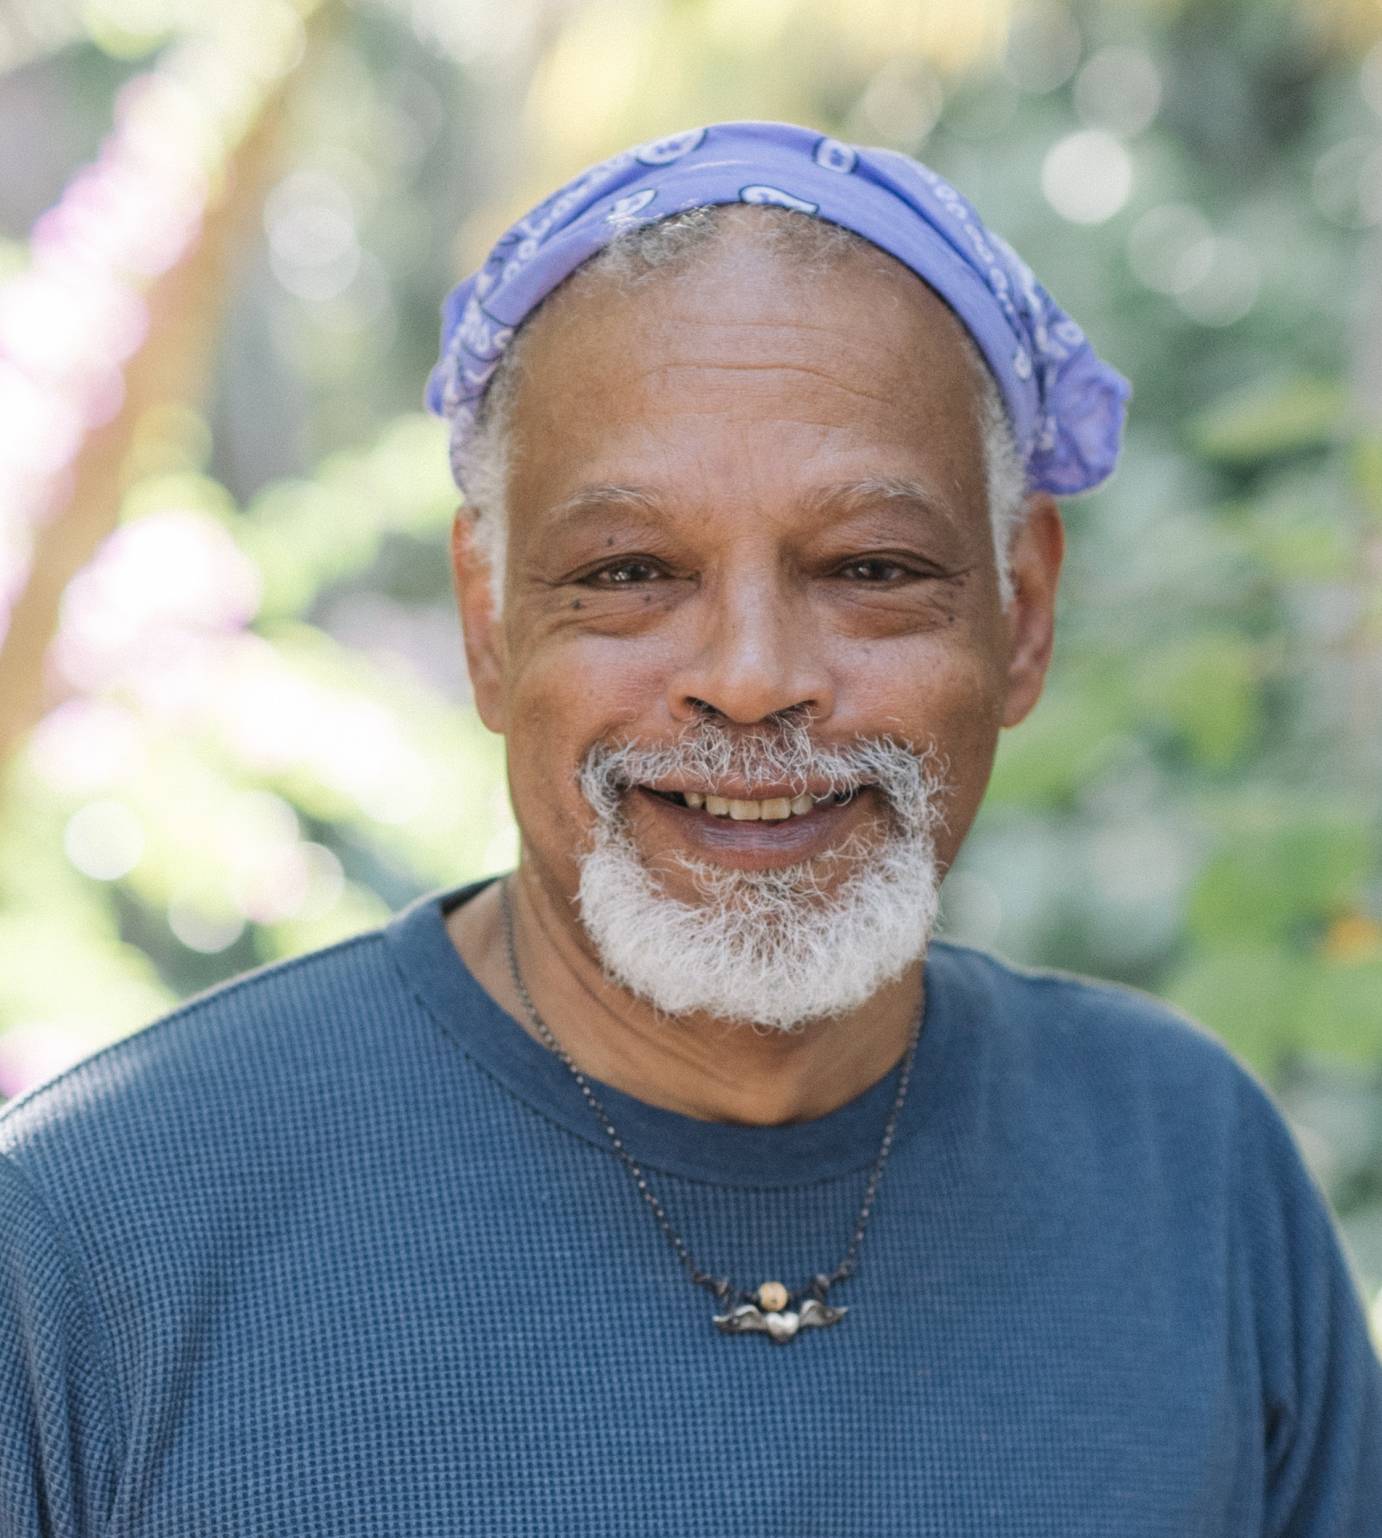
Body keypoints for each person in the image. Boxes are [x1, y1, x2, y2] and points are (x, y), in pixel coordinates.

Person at [2, 121, 1378, 1537]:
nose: (750, 673)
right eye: (629, 570)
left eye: (869, 566)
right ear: (486, 620)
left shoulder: (1184, 1170)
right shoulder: (85, 1245)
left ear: (1021, 609)